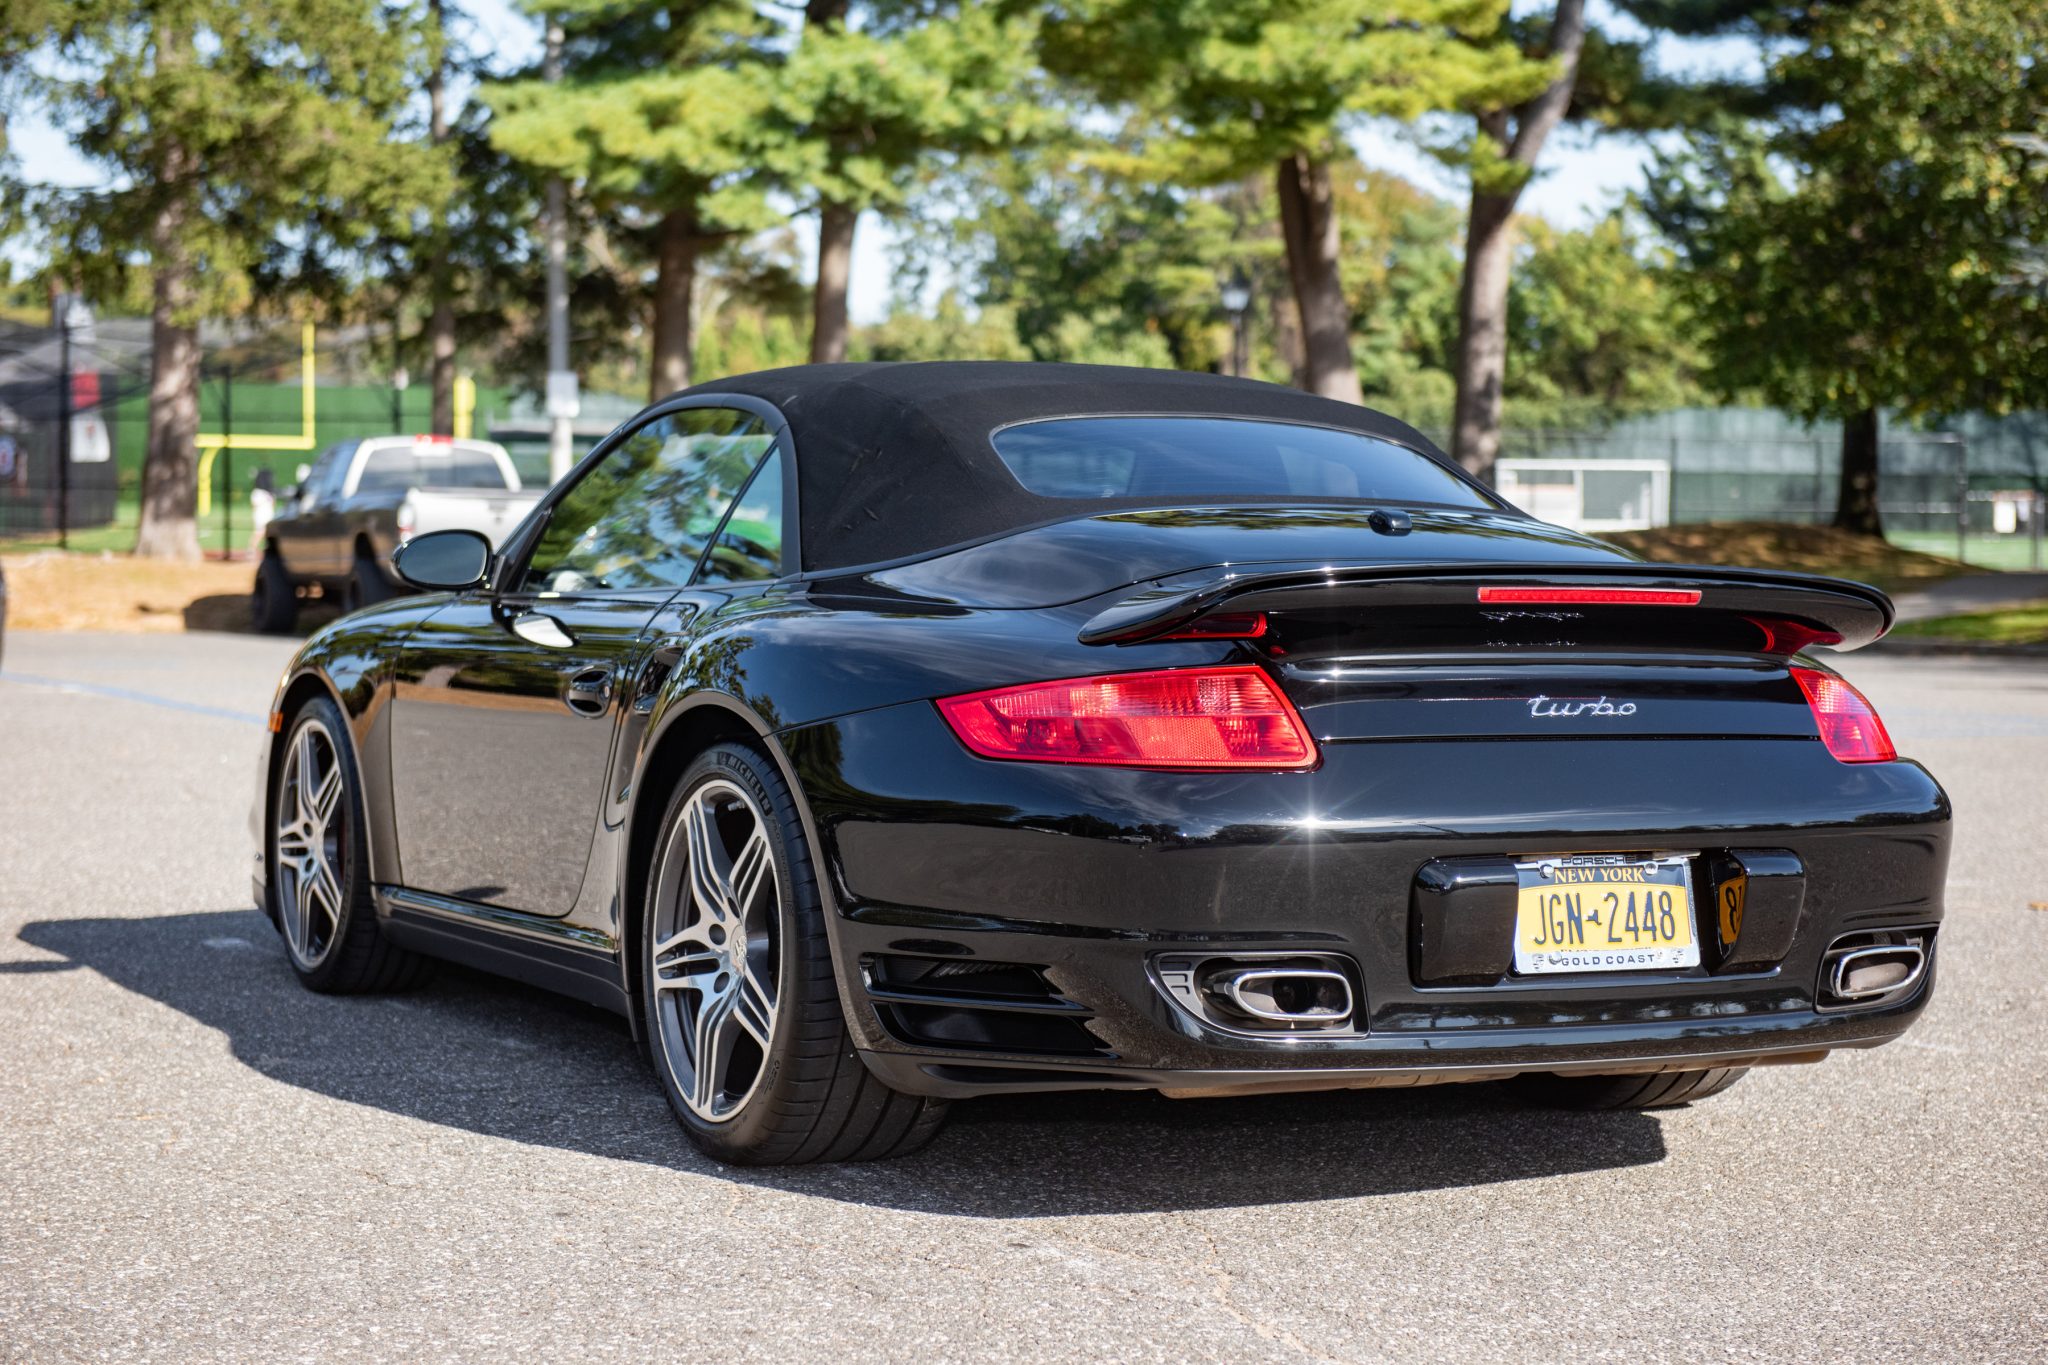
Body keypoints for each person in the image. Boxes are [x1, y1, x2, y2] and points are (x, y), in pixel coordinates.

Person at [249, 466, 276, 555]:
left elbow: (273, 503)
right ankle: (251, 549)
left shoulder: (270, 492)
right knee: (259, 532)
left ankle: (267, 549)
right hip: (260, 515)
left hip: (268, 515)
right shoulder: (257, 492)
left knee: (268, 533)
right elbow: (254, 504)